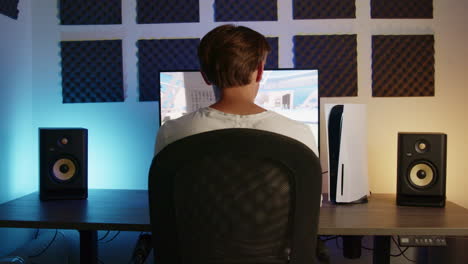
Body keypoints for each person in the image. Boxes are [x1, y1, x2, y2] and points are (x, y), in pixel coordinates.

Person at [155, 24, 318, 157]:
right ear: (260, 71)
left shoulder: (171, 133)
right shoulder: (299, 134)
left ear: (204, 76)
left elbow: (161, 196)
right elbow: (310, 197)